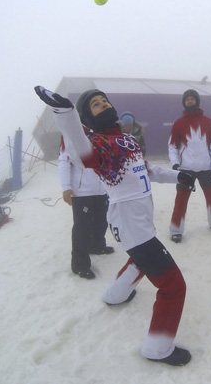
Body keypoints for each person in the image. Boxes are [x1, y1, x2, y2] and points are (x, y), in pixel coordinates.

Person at [34, 86, 195, 366]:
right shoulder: (97, 144)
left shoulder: (127, 140)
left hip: (139, 220)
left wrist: (178, 177)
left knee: (139, 261)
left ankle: (115, 295)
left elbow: (148, 169)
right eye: (95, 104)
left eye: (104, 100)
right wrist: (66, 114)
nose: (103, 104)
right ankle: (157, 347)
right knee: (173, 286)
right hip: (130, 223)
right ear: (89, 119)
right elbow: (78, 148)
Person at [168, 89, 211, 243]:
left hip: (206, 168)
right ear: (184, 102)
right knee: (181, 200)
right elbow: (172, 146)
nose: (190, 101)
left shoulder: (208, 122)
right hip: (186, 169)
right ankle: (176, 230)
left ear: (197, 101)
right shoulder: (179, 123)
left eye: (192, 99)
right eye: (187, 99)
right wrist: (175, 163)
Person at [58, 144, 114, 280]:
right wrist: (66, 187)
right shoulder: (70, 135)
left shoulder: (100, 134)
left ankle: (97, 246)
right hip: (81, 192)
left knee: (101, 221)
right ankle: (80, 264)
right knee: (82, 227)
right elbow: (64, 162)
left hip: (101, 189)